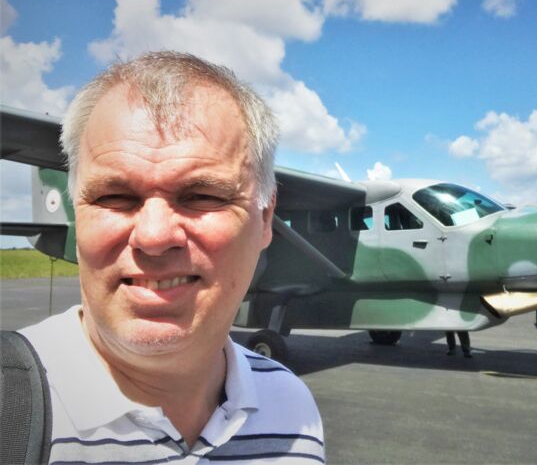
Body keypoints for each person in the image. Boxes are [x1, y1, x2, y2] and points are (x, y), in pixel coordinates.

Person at [19, 51, 324, 462]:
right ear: (78, 211)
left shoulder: (293, 409)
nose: (155, 236)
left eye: (203, 196)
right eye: (113, 197)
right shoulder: (11, 403)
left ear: (266, 217)